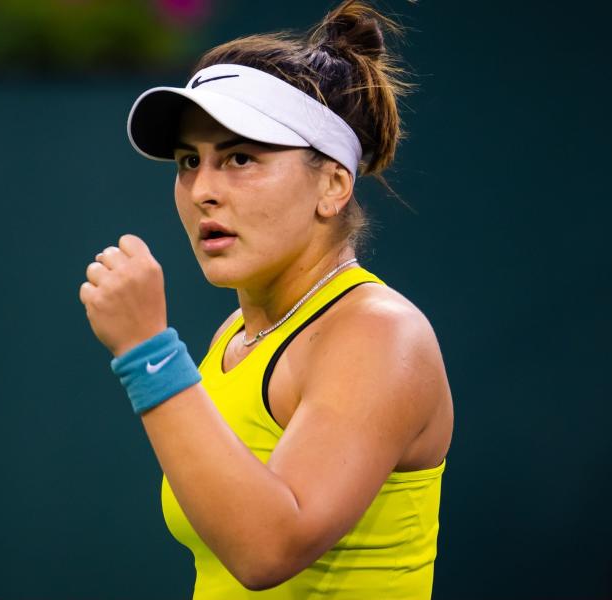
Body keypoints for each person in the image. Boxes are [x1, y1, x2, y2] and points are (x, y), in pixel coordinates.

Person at [79, 1, 453, 597]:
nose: (202, 190)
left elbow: (268, 548)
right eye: (188, 162)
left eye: (240, 158)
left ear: (333, 185)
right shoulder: (235, 335)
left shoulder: (380, 335)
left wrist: (147, 351)